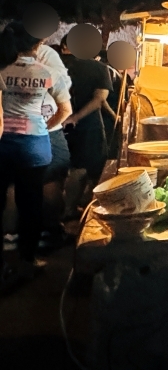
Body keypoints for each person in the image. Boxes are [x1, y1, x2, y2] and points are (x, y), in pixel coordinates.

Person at [1, 23, 73, 278]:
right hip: (34, 145)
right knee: (30, 203)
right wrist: (45, 125)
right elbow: (66, 111)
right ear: (39, 44)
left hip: (4, 143)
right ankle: (27, 258)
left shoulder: (2, 70)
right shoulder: (46, 72)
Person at [60, 35, 113, 206]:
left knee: (56, 172)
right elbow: (99, 100)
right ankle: (71, 210)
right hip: (87, 126)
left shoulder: (53, 65)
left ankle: (54, 215)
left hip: (53, 124)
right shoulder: (98, 68)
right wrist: (75, 117)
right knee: (84, 169)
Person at [36, 44, 73, 250]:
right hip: (47, 132)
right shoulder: (46, 58)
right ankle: (51, 231)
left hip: (12, 135)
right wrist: (46, 127)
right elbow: (65, 108)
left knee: (15, 184)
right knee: (51, 180)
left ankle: (12, 236)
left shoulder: (6, 61)